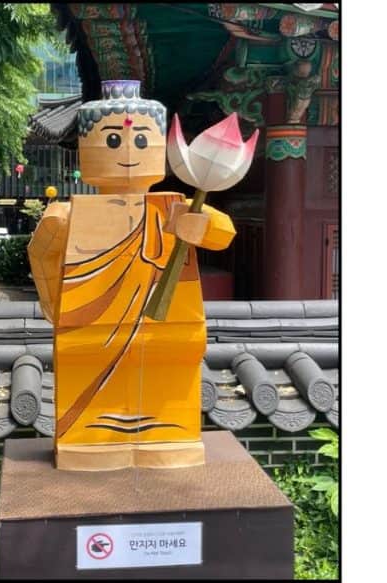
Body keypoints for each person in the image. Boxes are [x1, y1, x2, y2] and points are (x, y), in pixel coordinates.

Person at [28, 80, 235, 469]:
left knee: (168, 381)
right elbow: (41, 254)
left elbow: (224, 234)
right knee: (86, 375)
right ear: (85, 151)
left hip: (167, 331)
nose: (127, 151)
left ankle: (167, 436)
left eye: (142, 142)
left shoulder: (174, 208)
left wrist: (201, 225)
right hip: (89, 329)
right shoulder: (70, 213)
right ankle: (87, 441)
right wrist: (51, 301)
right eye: (111, 142)